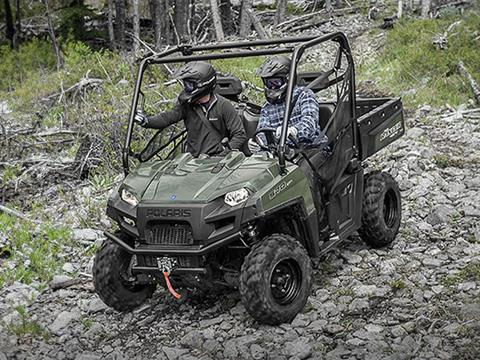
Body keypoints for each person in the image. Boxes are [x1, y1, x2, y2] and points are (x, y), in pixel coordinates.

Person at [250, 55, 330, 230]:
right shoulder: (266, 108)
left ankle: (318, 225)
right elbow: (262, 131)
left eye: (275, 82)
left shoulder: (304, 95)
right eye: (267, 82)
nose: (271, 87)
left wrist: (292, 131)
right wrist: (258, 142)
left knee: (302, 176)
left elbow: (309, 125)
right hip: (282, 153)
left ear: (288, 79)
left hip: (312, 148)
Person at [135, 61, 246, 157]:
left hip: (217, 161)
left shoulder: (223, 105)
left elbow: (239, 134)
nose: (186, 88)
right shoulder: (187, 105)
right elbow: (167, 118)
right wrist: (146, 121)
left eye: (190, 85)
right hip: (193, 161)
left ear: (202, 85)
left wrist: (224, 155)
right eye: (186, 85)